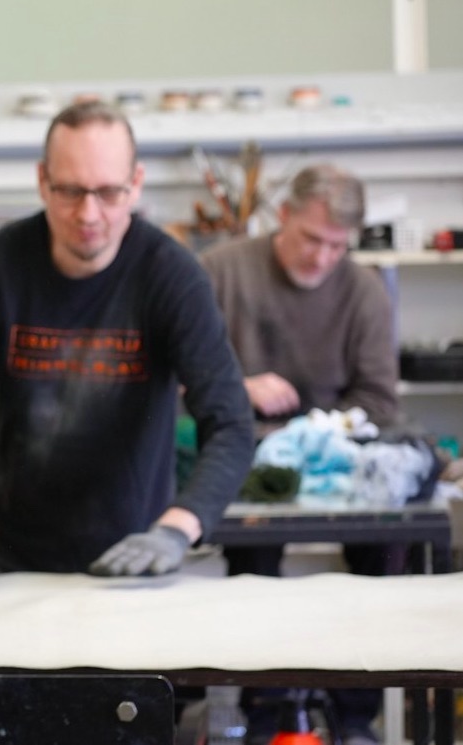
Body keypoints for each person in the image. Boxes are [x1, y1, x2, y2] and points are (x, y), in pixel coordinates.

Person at [0, 99, 254, 577]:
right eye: (70, 191)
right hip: (5, 561)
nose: (89, 214)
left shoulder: (172, 277)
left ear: (136, 184)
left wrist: (175, 530)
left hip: (136, 558)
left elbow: (231, 426)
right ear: (42, 181)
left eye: (109, 193)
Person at [200, 163, 399, 745]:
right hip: (244, 457)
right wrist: (240, 388)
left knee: (386, 550)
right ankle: (265, 706)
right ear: (282, 215)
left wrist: (319, 433)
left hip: (337, 460)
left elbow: (378, 399)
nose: (322, 257)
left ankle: (356, 714)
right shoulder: (220, 271)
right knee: (254, 559)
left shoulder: (363, 290)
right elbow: (180, 376)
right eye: (312, 238)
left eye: (338, 246)